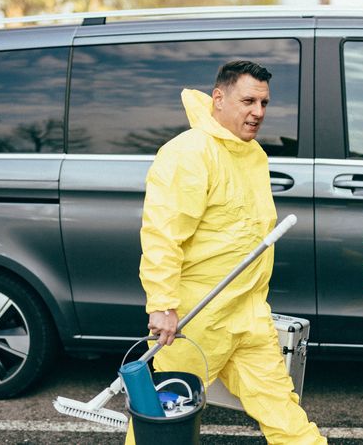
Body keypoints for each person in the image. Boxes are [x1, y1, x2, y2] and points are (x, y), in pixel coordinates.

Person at [126, 61, 326, 444]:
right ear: (219, 98)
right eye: (248, 100)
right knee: (165, 419)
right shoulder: (189, 153)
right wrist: (163, 304)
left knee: (284, 412)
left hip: (248, 312)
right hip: (196, 318)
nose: (258, 112)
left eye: (264, 103)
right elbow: (163, 234)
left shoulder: (251, 155)